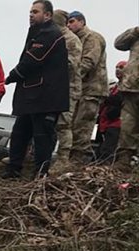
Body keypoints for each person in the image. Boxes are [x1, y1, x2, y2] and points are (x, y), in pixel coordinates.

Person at [2, 0, 69, 179]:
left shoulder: (50, 33)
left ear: (47, 15)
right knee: (20, 132)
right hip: (31, 95)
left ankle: (41, 175)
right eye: (30, 12)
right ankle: (13, 169)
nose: (31, 15)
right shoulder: (37, 32)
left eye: (36, 12)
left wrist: (12, 75)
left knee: (42, 136)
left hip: (46, 96)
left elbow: (32, 61)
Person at [66, 10, 109, 163]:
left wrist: (69, 78)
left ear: (82, 22)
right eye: (67, 23)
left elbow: (88, 62)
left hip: (92, 89)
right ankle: (71, 158)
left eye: (72, 21)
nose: (69, 26)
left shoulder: (92, 38)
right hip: (79, 89)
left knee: (83, 125)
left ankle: (78, 160)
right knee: (71, 125)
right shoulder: (74, 41)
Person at [52, 9, 83, 169]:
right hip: (52, 87)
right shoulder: (52, 36)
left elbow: (72, 64)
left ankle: (63, 158)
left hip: (69, 88)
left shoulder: (72, 39)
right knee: (47, 122)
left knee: (64, 123)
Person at [114, 26, 139, 172]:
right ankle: (124, 160)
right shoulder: (135, 35)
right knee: (127, 127)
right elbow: (118, 44)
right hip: (131, 88)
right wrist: (135, 31)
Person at [97, 61, 128, 162]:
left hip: (116, 124)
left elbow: (119, 101)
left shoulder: (127, 87)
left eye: (121, 67)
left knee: (108, 152)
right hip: (105, 124)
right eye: (116, 67)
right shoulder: (115, 87)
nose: (118, 69)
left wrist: (107, 98)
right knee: (101, 151)